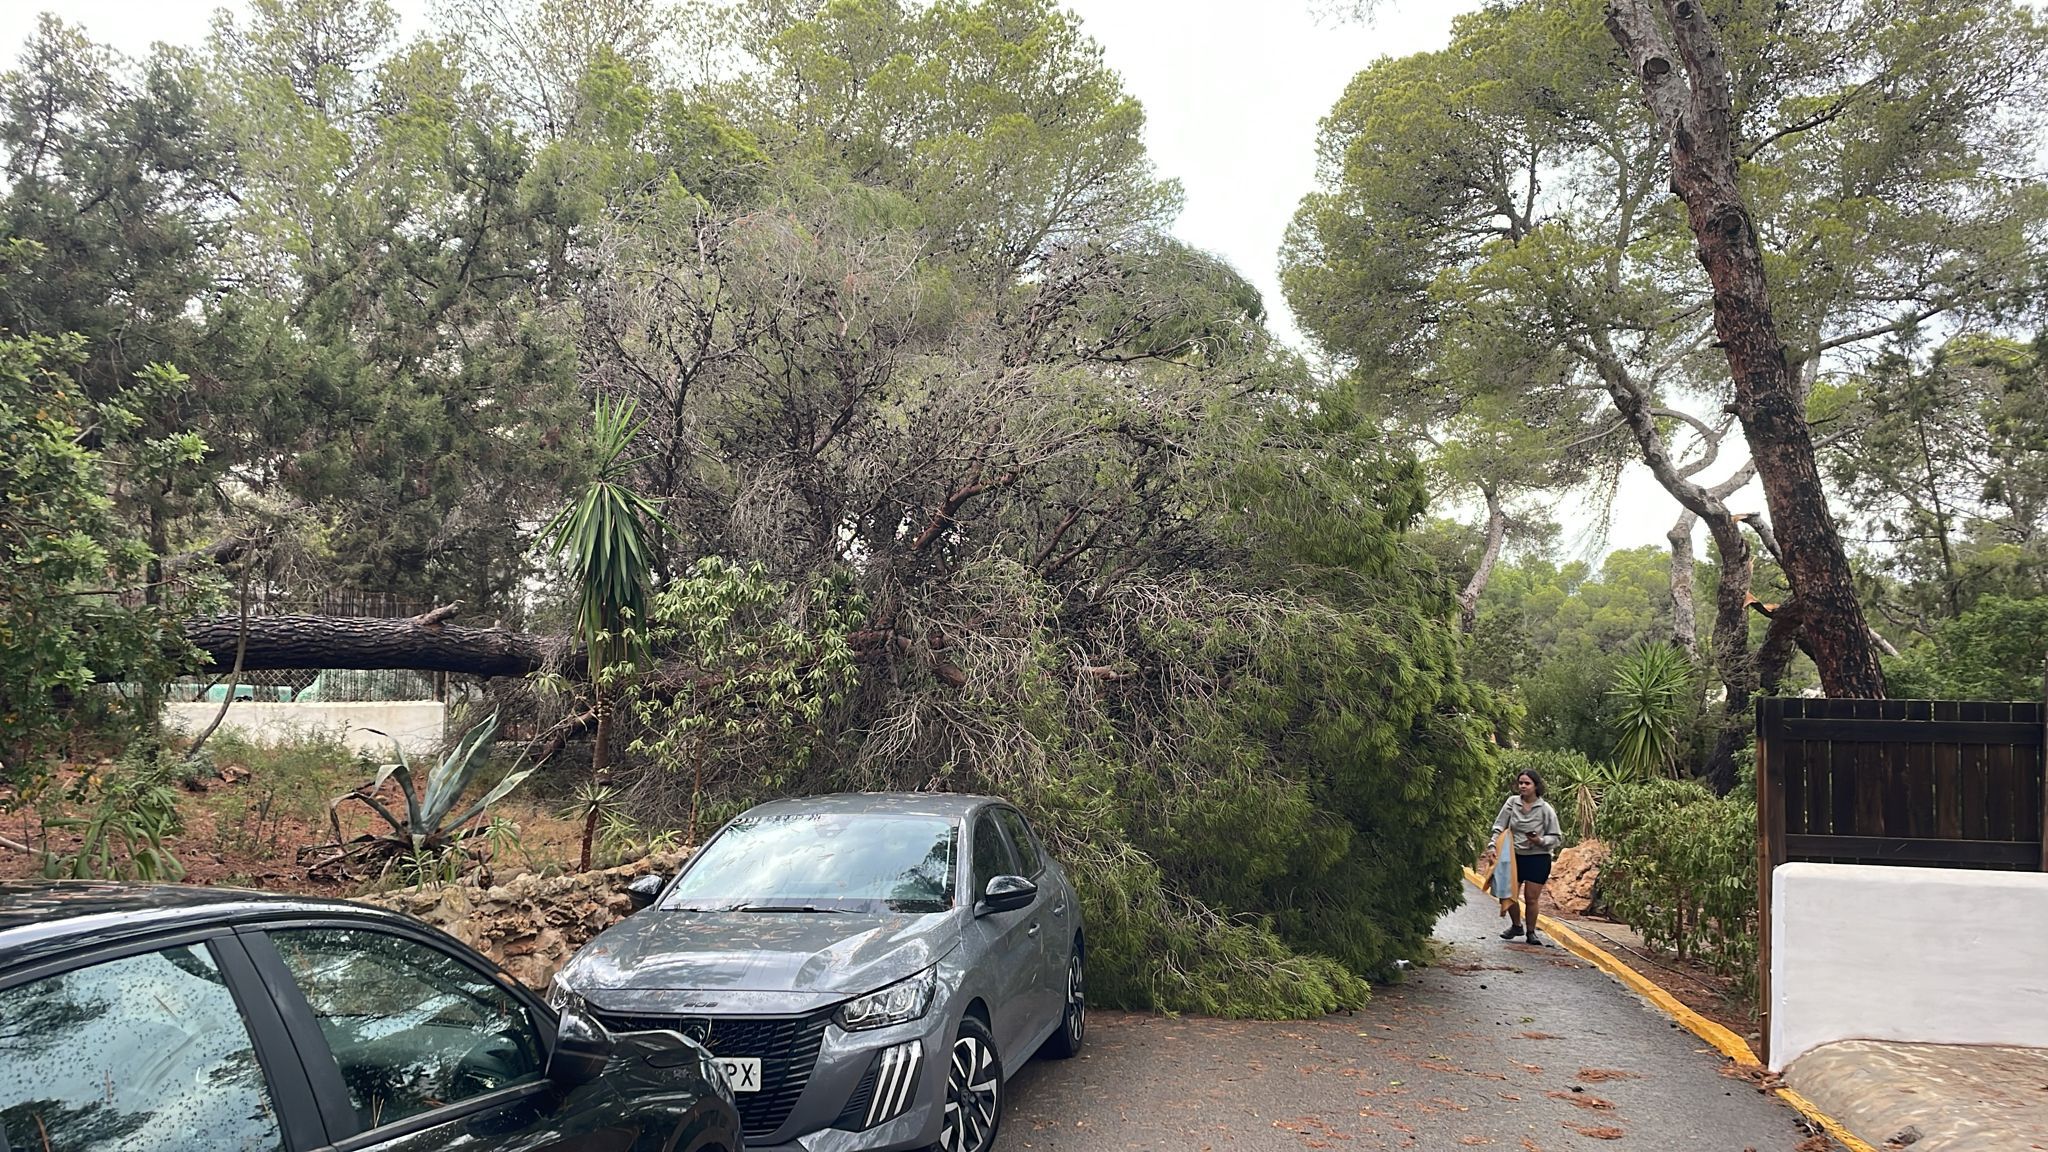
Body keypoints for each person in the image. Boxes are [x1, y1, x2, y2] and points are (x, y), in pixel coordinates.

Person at [1489, 769, 1562, 946]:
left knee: (1531, 898)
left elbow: (1556, 837)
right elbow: (1499, 826)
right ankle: (1516, 925)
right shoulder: (1512, 803)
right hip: (1513, 855)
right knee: (1507, 893)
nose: (1523, 786)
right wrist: (1492, 845)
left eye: (1527, 783)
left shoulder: (1545, 809)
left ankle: (1531, 932)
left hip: (1538, 857)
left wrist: (1540, 840)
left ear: (1536, 786)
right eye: (1520, 783)